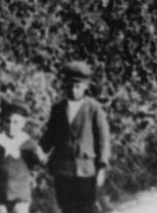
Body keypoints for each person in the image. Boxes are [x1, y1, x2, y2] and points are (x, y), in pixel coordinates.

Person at [40, 61, 111, 213]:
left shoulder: (93, 108)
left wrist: (102, 168)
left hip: (86, 169)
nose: (73, 90)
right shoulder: (58, 108)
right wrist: (38, 150)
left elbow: (103, 140)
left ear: (86, 86)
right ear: (64, 85)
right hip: (63, 169)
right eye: (69, 85)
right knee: (67, 207)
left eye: (77, 86)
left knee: (87, 207)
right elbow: (49, 136)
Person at [0, 102, 46, 213]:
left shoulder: (28, 144)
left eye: (16, 122)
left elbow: (39, 163)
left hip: (20, 192)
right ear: (2, 122)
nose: (11, 125)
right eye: (7, 121)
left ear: (23, 124)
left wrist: (40, 156)